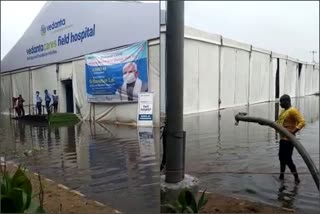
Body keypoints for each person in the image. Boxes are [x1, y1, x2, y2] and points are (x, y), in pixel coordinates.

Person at [276, 94, 305, 184]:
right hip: (282, 139)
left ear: (287, 101)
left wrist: (293, 132)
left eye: (281, 102)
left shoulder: (292, 111)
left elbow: (302, 122)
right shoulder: (283, 112)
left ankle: (296, 178)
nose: (280, 104)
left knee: (288, 159)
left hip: (288, 140)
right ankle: (282, 175)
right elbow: (278, 122)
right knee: (281, 158)